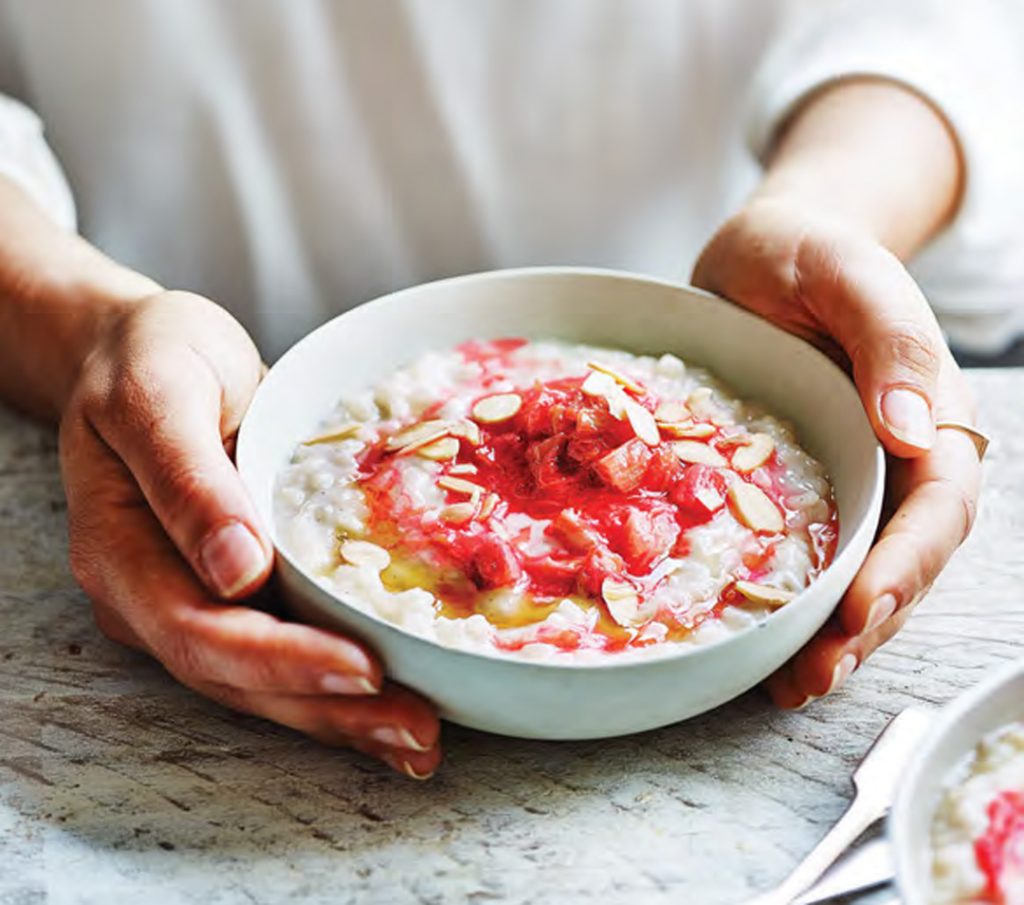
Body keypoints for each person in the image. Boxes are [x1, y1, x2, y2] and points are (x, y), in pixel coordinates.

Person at [0, 1, 1018, 780]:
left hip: (735, 295)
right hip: (195, 368)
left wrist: (831, 211)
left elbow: (933, 26)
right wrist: (85, 321)